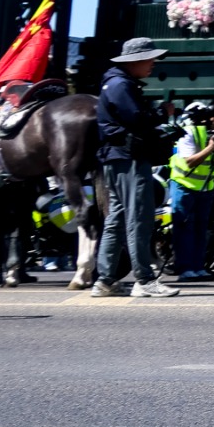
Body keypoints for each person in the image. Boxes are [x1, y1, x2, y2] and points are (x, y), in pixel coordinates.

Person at [92, 38, 179, 299]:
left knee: (117, 220)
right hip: (129, 157)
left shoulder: (115, 82)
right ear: (135, 60)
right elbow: (138, 120)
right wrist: (162, 114)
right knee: (139, 218)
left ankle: (105, 281)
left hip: (117, 157)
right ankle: (144, 280)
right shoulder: (121, 85)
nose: (153, 64)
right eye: (150, 59)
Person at [165, 98, 214, 283]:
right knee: (185, 229)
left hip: (206, 188)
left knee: (201, 230)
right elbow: (189, 162)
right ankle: (185, 268)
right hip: (184, 186)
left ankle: (198, 267)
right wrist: (212, 147)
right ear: (209, 117)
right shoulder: (189, 132)